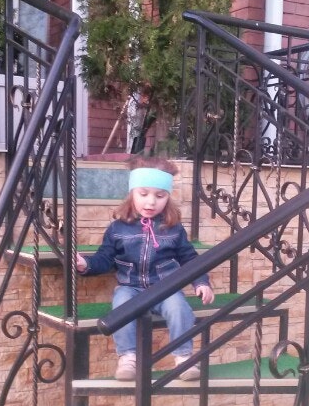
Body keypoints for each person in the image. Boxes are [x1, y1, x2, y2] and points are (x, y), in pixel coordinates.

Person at [76, 158, 214, 380]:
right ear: (132, 193)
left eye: (160, 196)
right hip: (130, 288)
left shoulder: (174, 229)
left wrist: (201, 282)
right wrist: (86, 264)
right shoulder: (117, 228)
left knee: (179, 308)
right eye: (143, 194)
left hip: (165, 288)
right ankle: (128, 358)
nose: (151, 202)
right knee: (121, 306)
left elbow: (189, 258)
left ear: (167, 197)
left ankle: (184, 358)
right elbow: (105, 258)